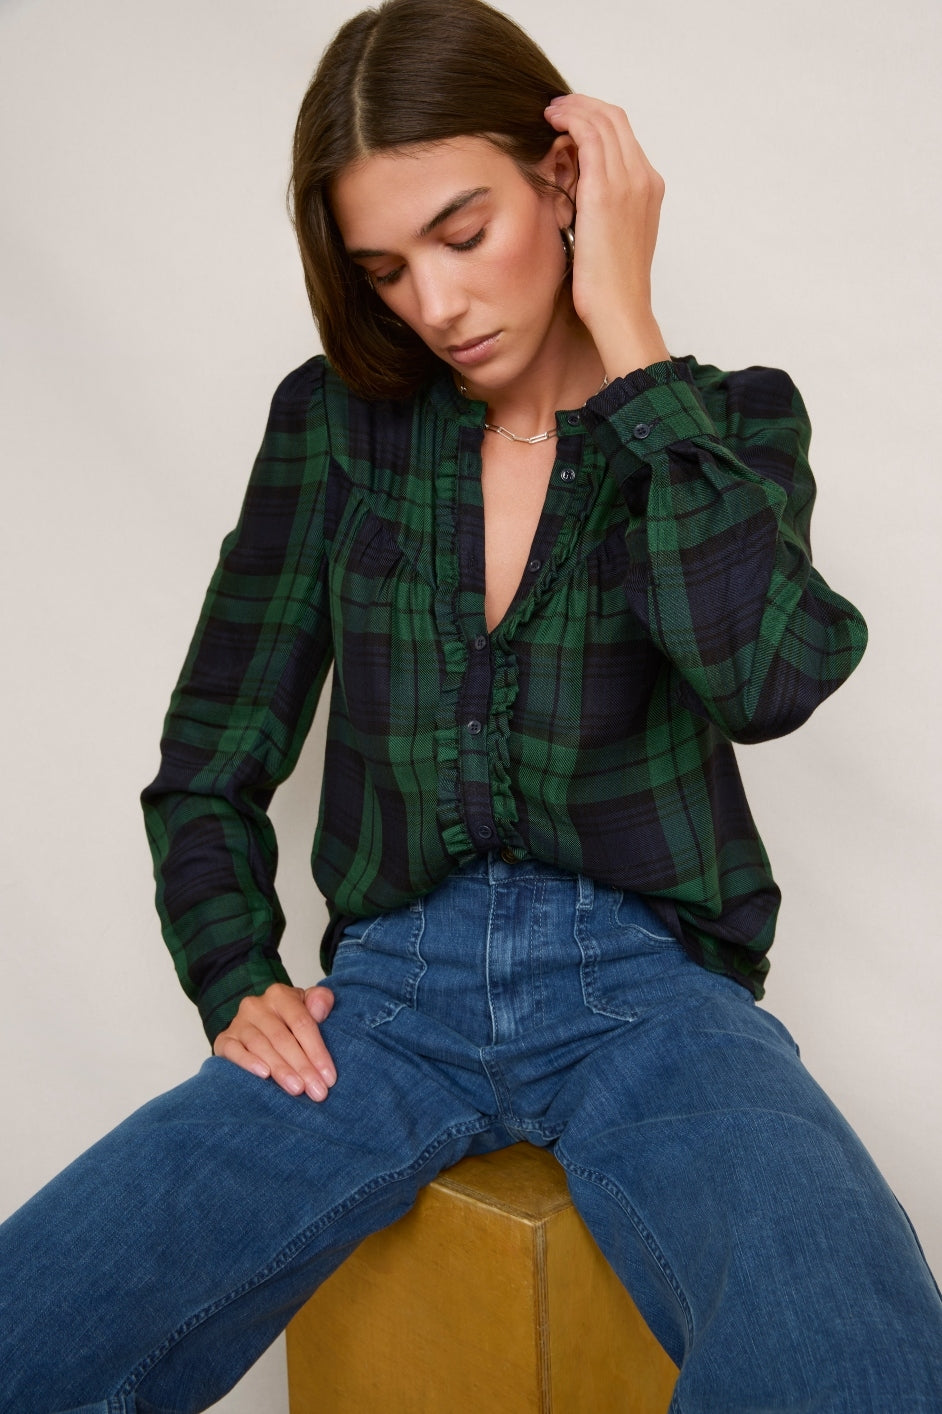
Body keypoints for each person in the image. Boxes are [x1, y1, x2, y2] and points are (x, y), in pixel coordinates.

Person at [1, 0, 940, 1409]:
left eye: (462, 232)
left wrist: (631, 339)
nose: (433, 305)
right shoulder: (337, 424)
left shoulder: (727, 425)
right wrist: (233, 969)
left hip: (649, 998)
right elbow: (209, 756)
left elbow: (769, 679)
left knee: (859, 1365)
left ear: (563, 183)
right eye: (386, 268)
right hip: (385, 1003)